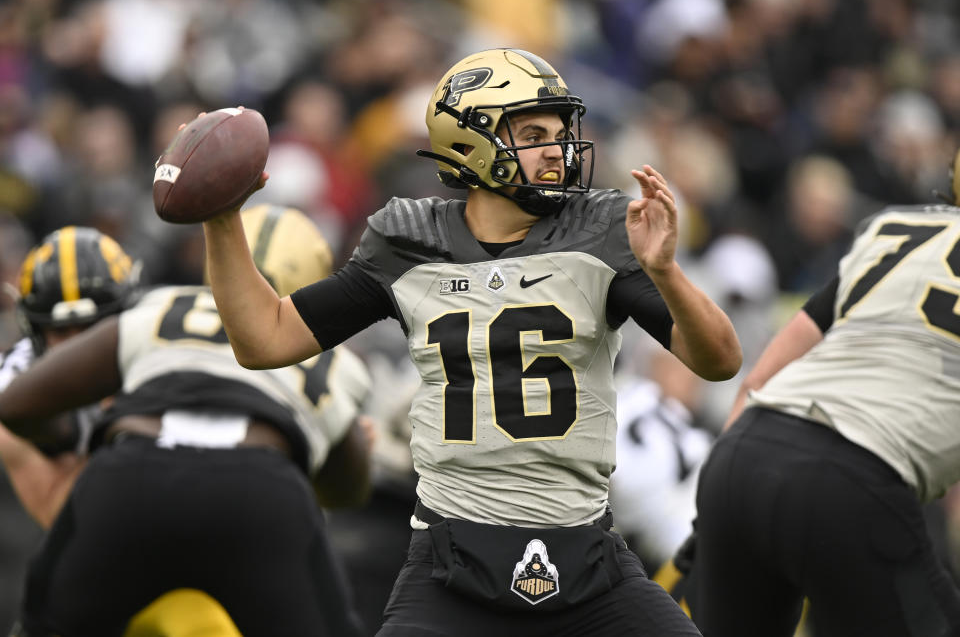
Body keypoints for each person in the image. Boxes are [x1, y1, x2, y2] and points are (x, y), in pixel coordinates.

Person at [200, 48, 741, 636]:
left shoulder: (602, 232)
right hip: (451, 566)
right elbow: (266, 340)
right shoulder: (407, 242)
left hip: (588, 561)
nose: (556, 150)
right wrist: (222, 218)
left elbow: (718, 360)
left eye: (560, 133)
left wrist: (665, 271)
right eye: (533, 133)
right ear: (470, 142)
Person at [0, 204, 374, 637]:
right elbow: (348, 492)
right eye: (59, 332)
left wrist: (75, 437)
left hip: (130, 482)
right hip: (260, 497)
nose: (72, 342)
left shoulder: (162, 309)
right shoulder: (333, 357)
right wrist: (329, 446)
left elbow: (16, 407)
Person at [688, 151, 960, 636]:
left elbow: (757, 382)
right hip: (850, 477)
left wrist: (710, 517)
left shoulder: (895, 230)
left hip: (740, 460)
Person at [0, 225, 141, 529]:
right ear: (35, 331)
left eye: (92, 329)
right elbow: (66, 519)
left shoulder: (151, 352)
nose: (77, 348)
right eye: (60, 331)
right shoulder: (12, 385)